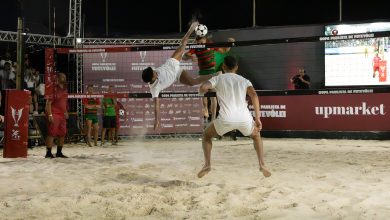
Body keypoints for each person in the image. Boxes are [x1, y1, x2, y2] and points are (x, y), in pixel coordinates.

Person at [197, 56, 271, 178]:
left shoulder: (218, 78)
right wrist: (257, 117)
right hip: (244, 118)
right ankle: (262, 164)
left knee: (206, 136)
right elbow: (254, 95)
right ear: (236, 67)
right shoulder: (244, 80)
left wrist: (204, 92)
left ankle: (207, 164)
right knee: (256, 136)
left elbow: (203, 87)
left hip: (226, 118)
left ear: (223, 66)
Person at [142, 21, 218, 130]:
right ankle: (215, 75)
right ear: (152, 78)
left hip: (171, 62)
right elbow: (156, 106)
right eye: (154, 73)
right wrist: (156, 120)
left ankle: (190, 30)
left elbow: (185, 54)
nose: (154, 71)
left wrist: (189, 56)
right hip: (177, 74)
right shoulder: (154, 89)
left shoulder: (151, 72)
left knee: (183, 46)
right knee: (193, 82)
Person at [183, 36, 235, 122]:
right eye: (198, 43)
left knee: (213, 96)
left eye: (201, 42)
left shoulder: (210, 44)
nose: (200, 44)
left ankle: (213, 119)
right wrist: (189, 57)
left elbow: (224, 50)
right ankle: (205, 108)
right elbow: (184, 57)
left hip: (211, 73)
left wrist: (229, 43)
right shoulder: (195, 47)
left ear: (205, 39)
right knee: (202, 92)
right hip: (203, 74)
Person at [45, 72, 69, 158]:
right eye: (63, 77)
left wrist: (66, 112)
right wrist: (50, 115)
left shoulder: (65, 89)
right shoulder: (53, 89)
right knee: (52, 133)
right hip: (54, 113)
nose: (64, 78)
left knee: (62, 133)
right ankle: (48, 153)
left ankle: (59, 152)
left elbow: (64, 102)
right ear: (58, 78)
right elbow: (48, 103)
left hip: (62, 114)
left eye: (65, 77)